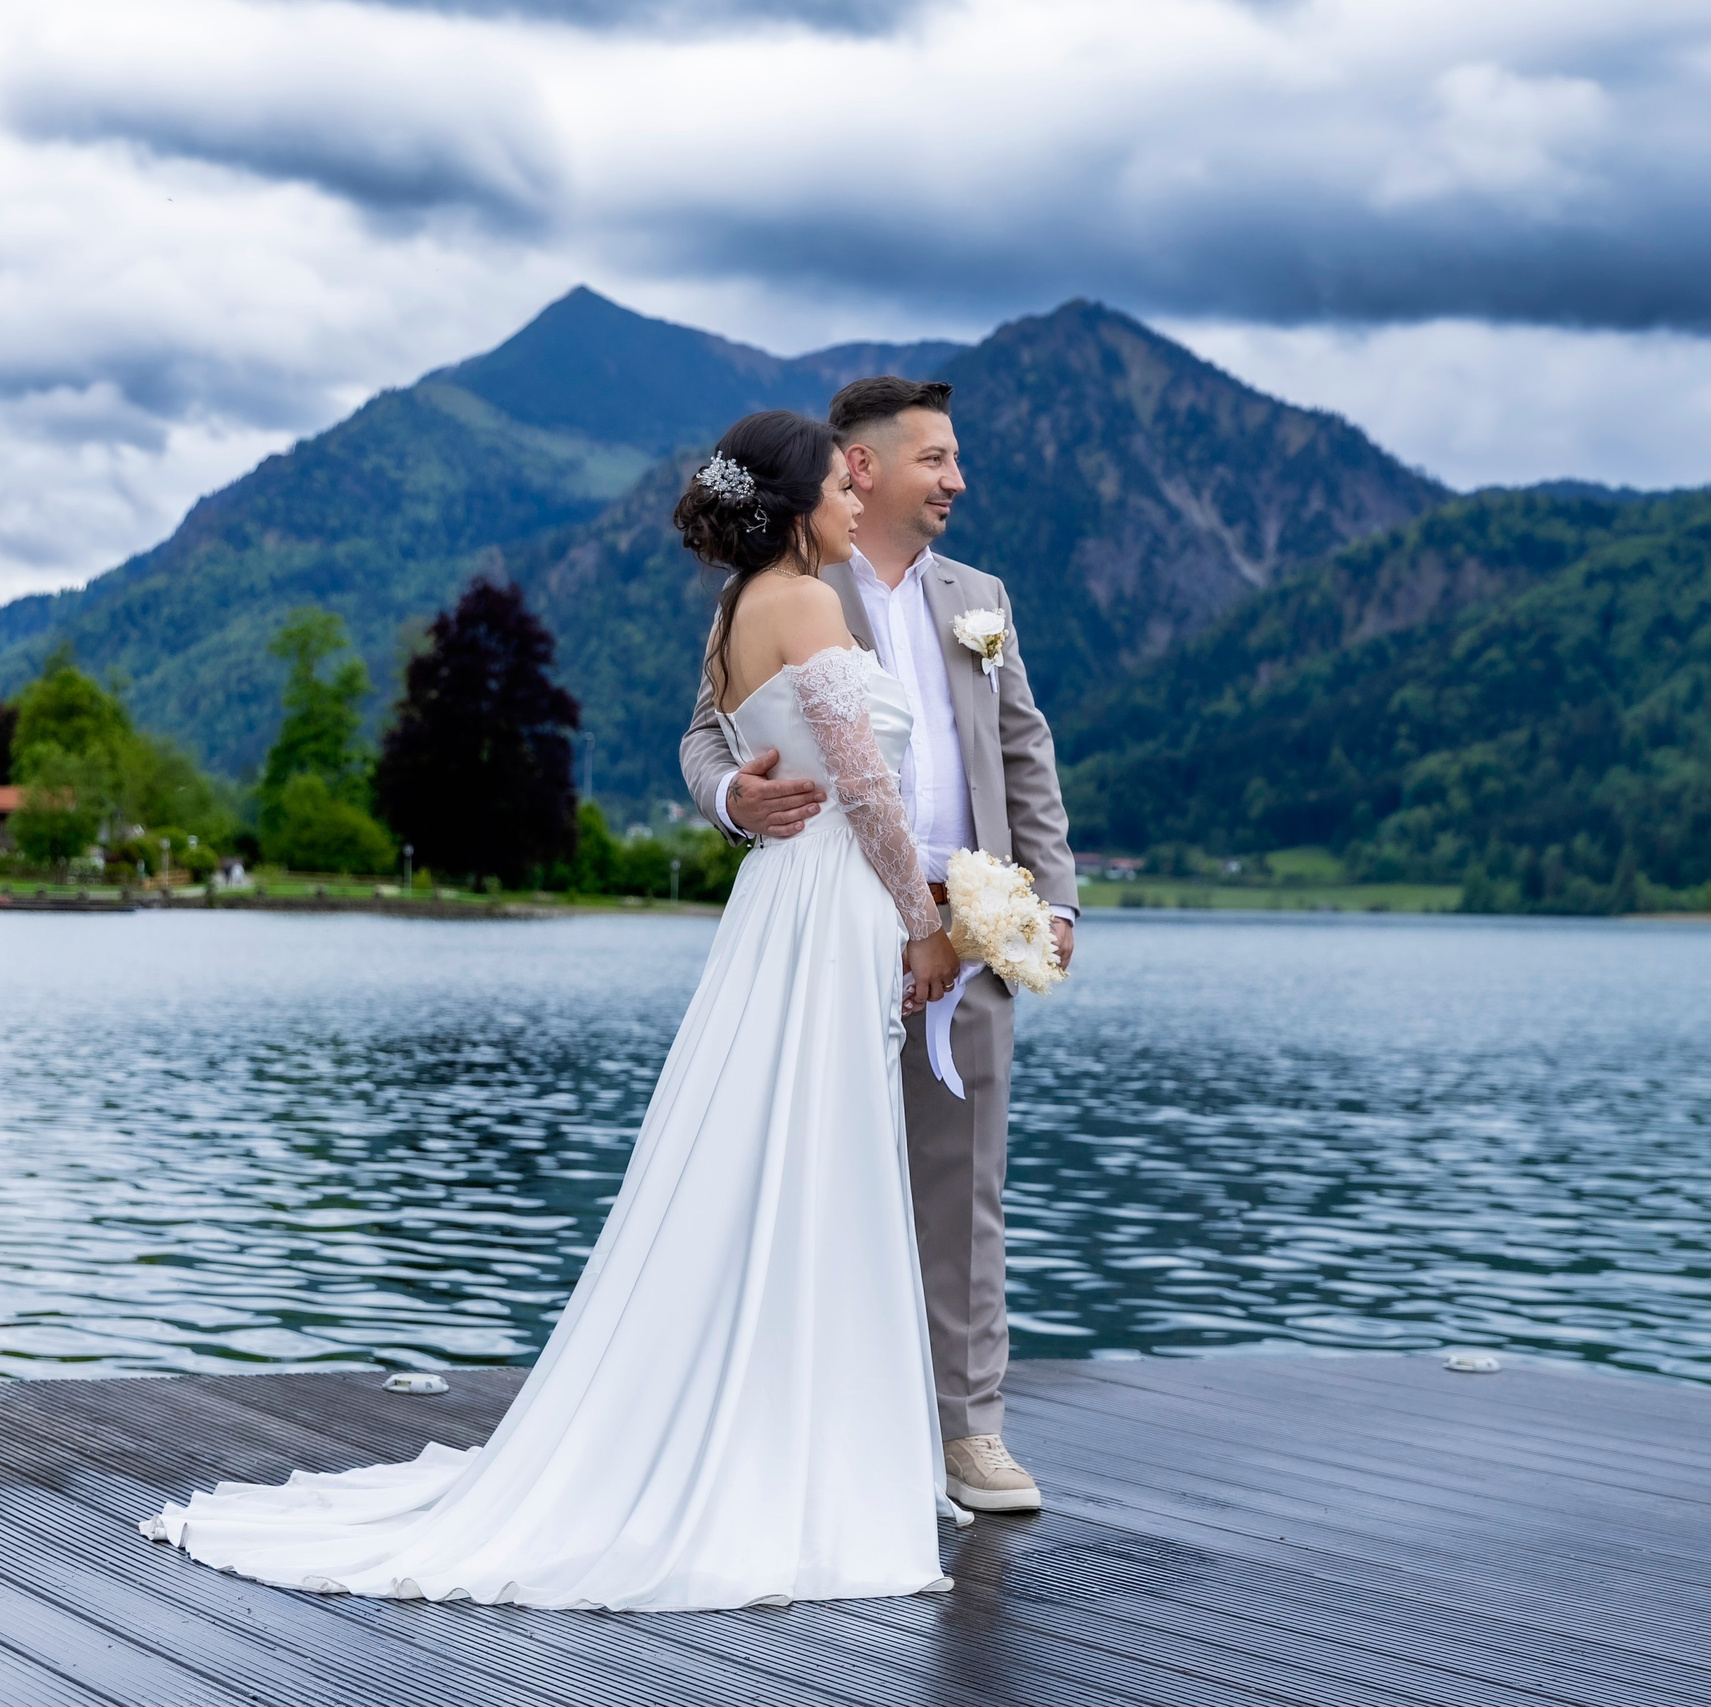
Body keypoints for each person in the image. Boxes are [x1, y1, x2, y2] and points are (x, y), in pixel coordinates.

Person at [138, 412, 968, 1610]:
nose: (856, 501)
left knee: (778, 1157)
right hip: (823, 900)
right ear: (796, 503)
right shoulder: (803, 602)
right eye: (841, 487)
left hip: (787, 906)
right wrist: (923, 920)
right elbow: (868, 789)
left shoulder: (738, 606)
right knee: (808, 1156)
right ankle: (796, 1452)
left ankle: (787, 1428)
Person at [679, 376, 1076, 1514]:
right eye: (936, 459)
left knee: (967, 1193)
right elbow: (708, 734)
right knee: (817, 1167)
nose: (957, 480)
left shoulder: (980, 598)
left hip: (972, 921)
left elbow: (1026, 753)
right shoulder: (793, 580)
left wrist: (1052, 902)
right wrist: (732, 800)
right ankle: (813, 1425)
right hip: (847, 922)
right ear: (859, 468)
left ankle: (969, 1432)